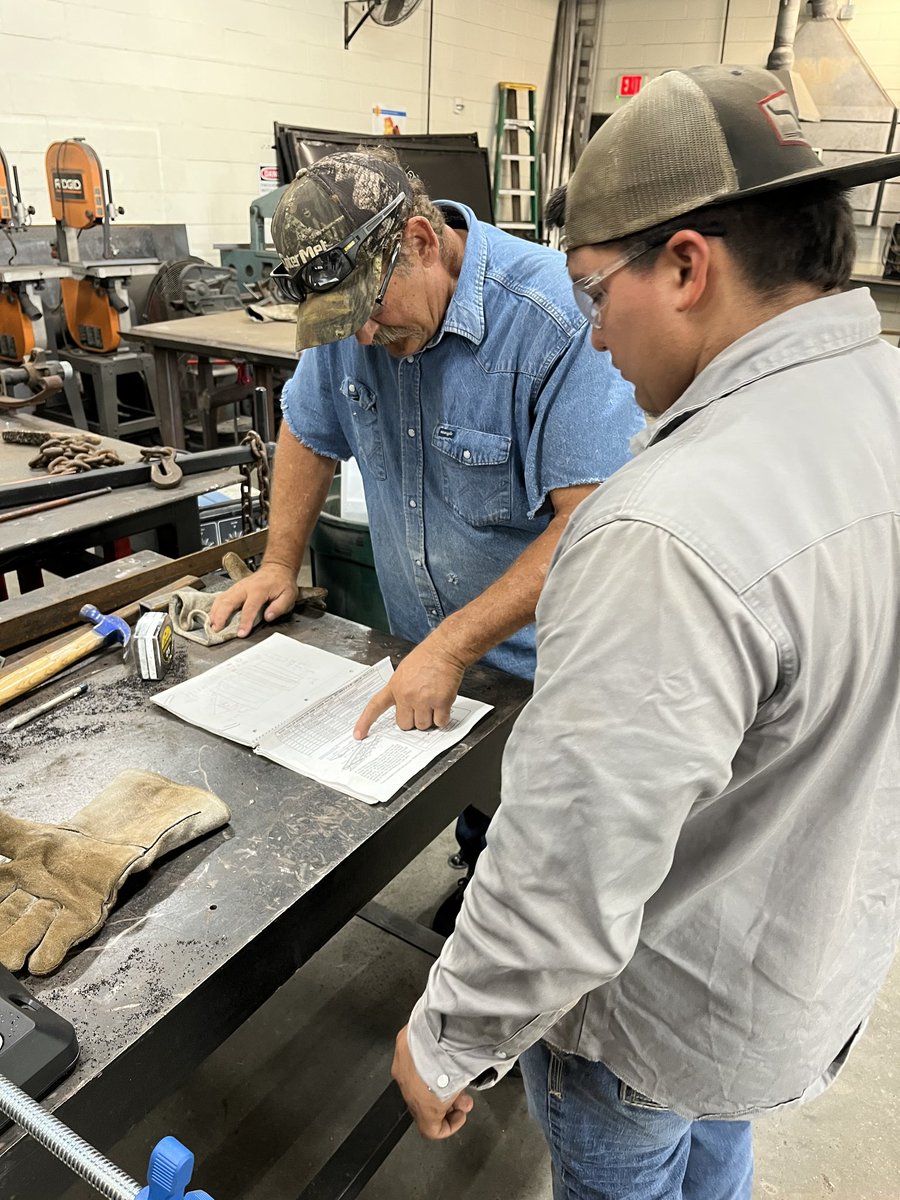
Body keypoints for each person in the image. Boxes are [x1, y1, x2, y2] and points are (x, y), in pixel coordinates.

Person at [390, 65, 900, 1199]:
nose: (593, 336)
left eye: (590, 290)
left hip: (653, 1017)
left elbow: (571, 858)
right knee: (719, 1158)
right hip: (797, 973)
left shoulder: (668, 526)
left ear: (684, 265)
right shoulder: (885, 401)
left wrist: (447, 1034)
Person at [209, 147, 642, 927]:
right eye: (346, 324)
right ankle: (481, 873)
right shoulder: (355, 317)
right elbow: (308, 428)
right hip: (431, 664)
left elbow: (591, 524)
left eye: (372, 312)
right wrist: (279, 561)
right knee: (483, 832)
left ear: (418, 239)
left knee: (557, 881)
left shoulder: (555, 321)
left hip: (548, 680)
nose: (365, 337)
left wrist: (452, 645)